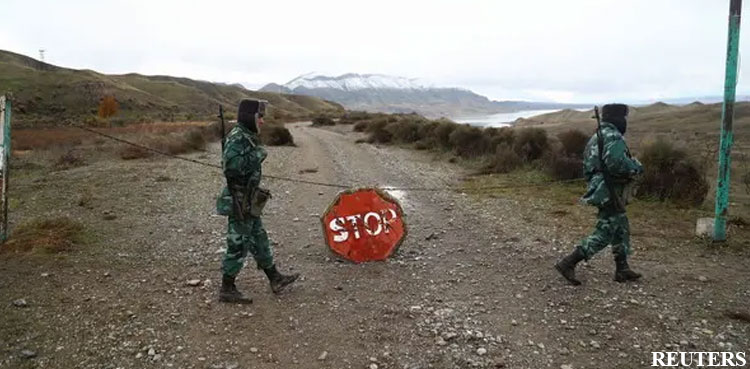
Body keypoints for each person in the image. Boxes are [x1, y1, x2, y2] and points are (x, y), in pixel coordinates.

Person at [215, 99, 299, 304]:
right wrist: (258, 155)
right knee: (238, 243)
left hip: (249, 198)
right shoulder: (238, 137)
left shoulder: (246, 135)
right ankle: (227, 287)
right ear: (249, 116)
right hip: (240, 200)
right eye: (259, 117)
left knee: (259, 239)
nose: (261, 121)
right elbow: (232, 168)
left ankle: (275, 278)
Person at [555, 103, 644, 285]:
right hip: (610, 190)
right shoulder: (614, 137)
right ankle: (569, 262)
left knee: (620, 226)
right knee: (606, 231)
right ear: (618, 119)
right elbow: (617, 164)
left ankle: (622, 268)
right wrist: (636, 167)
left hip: (601, 189)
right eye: (624, 118)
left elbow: (588, 166)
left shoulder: (597, 136)